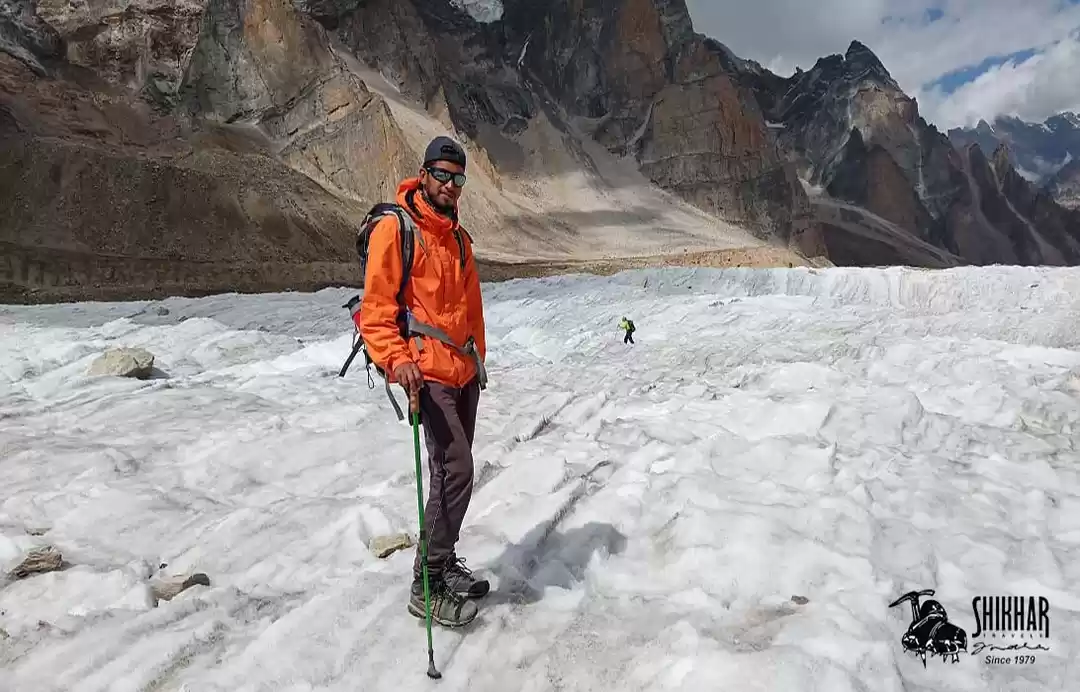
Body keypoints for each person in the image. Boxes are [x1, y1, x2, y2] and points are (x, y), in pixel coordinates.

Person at [360, 136, 488, 628]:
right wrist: (396, 361)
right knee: (457, 470)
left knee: (450, 474)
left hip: (461, 373)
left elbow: (469, 310)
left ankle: (443, 560)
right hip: (425, 374)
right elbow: (377, 309)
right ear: (424, 173)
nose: (450, 186)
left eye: (458, 180)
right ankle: (427, 581)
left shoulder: (458, 238)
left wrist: (477, 364)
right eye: (442, 175)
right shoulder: (397, 229)